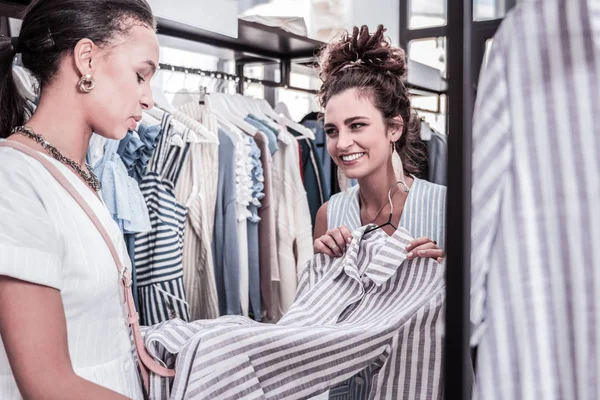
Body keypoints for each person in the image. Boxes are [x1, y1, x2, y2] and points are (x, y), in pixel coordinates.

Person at [0, 0, 159, 398]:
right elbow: (48, 385)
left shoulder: (77, 174)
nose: (149, 99)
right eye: (141, 75)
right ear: (86, 59)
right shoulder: (13, 179)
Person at [313, 24, 446, 266]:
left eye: (357, 125)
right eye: (332, 131)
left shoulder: (446, 208)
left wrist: (449, 270)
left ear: (394, 128)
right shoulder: (328, 215)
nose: (341, 143)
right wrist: (322, 264)